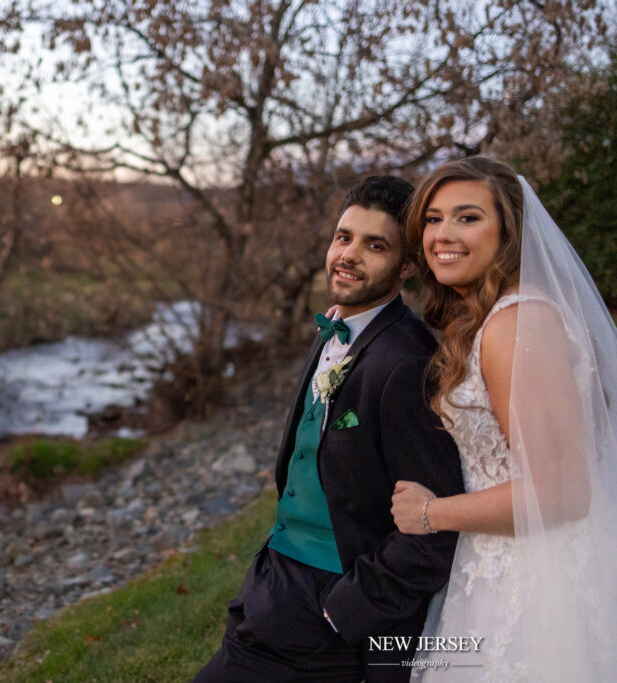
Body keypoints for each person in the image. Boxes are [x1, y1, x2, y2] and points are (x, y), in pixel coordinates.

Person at [194, 176, 465, 683]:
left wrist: (346, 609)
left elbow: (437, 525)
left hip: (335, 614)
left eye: (375, 245)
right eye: (344, 237)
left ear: (407, 265)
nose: (349, 255)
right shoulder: (337, 328)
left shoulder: (407, 363)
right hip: (274, 585)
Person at [390, 156, 617, 680]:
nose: (443, 234)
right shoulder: (479, 317)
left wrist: (432, 513)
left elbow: (561, 492)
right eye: (432, 218)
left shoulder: (516, 324)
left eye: (467, 217)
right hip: (493, 562)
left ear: (508, 234)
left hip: (539, 578)